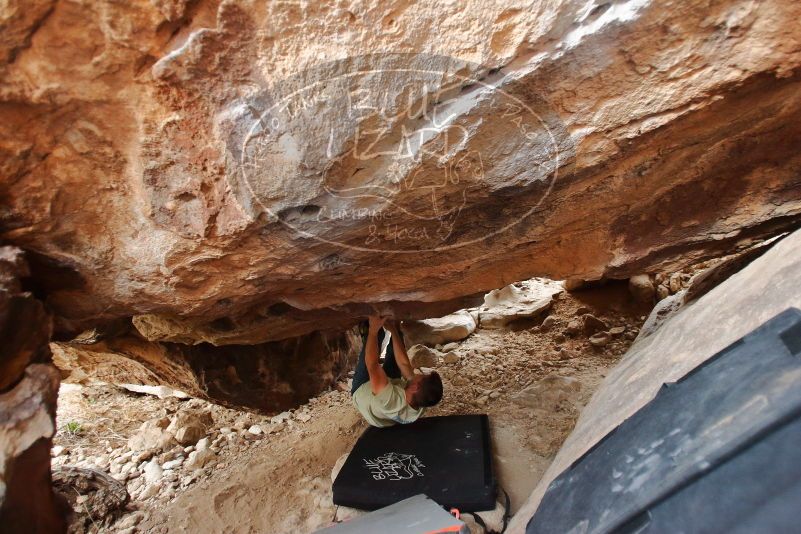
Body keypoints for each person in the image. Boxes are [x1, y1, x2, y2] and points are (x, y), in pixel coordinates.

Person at [351, 315, 443, 427]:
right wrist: (394, 330)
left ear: (415, 387)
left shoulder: (389, 399)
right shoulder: (421, 403)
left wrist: (373, 330)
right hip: (391, 388)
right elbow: (404, 364)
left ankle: (368, 329)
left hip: (363, 388)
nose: (420, 373)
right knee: (396, 356)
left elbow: (372, 364)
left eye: (422, 376)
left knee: (377, 335)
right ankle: (393, 328)